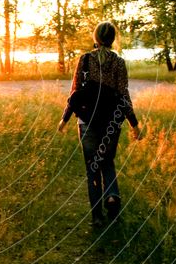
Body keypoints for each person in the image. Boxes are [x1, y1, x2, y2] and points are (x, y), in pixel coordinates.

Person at [57, 22, 141, 230]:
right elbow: (123, 96)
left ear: (95, 37)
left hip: (87, 122)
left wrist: (65, 118)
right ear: (112, 39)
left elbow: (75, 93)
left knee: (92, 169)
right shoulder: (119, 63)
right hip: (111, 123)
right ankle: (112, 195)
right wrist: (134, 124)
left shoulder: (85, 60)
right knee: (107, 162)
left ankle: (97, 217)